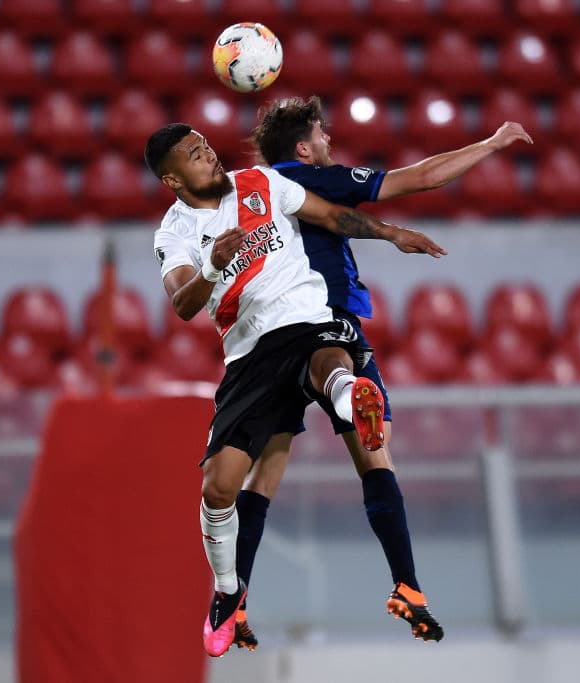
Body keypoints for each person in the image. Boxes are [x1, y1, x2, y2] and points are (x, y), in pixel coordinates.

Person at [226, 96, 534, 644]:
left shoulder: (254, 194)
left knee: (266, 467)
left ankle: (236, 597)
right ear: (302, 147)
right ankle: (406, 584)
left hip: (268, 337)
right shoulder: (309, 178)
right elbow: (417, 178)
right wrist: (489, 144)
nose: (329, 144)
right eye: (322, 135)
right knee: (374, 452)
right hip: (325, 321)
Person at [143, 123, 446, 657]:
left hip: (307, 317)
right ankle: (227, 592)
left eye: (206, 145)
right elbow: (184, 304)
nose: (208, 155)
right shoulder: (175, 232)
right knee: (218, 489)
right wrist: (214, 265)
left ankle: (349, 394)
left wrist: (391, 232)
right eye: (194, 154)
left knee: (329, 360)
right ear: (173, 178)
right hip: (250, 352)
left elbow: (332, 216)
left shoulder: (260, 182)